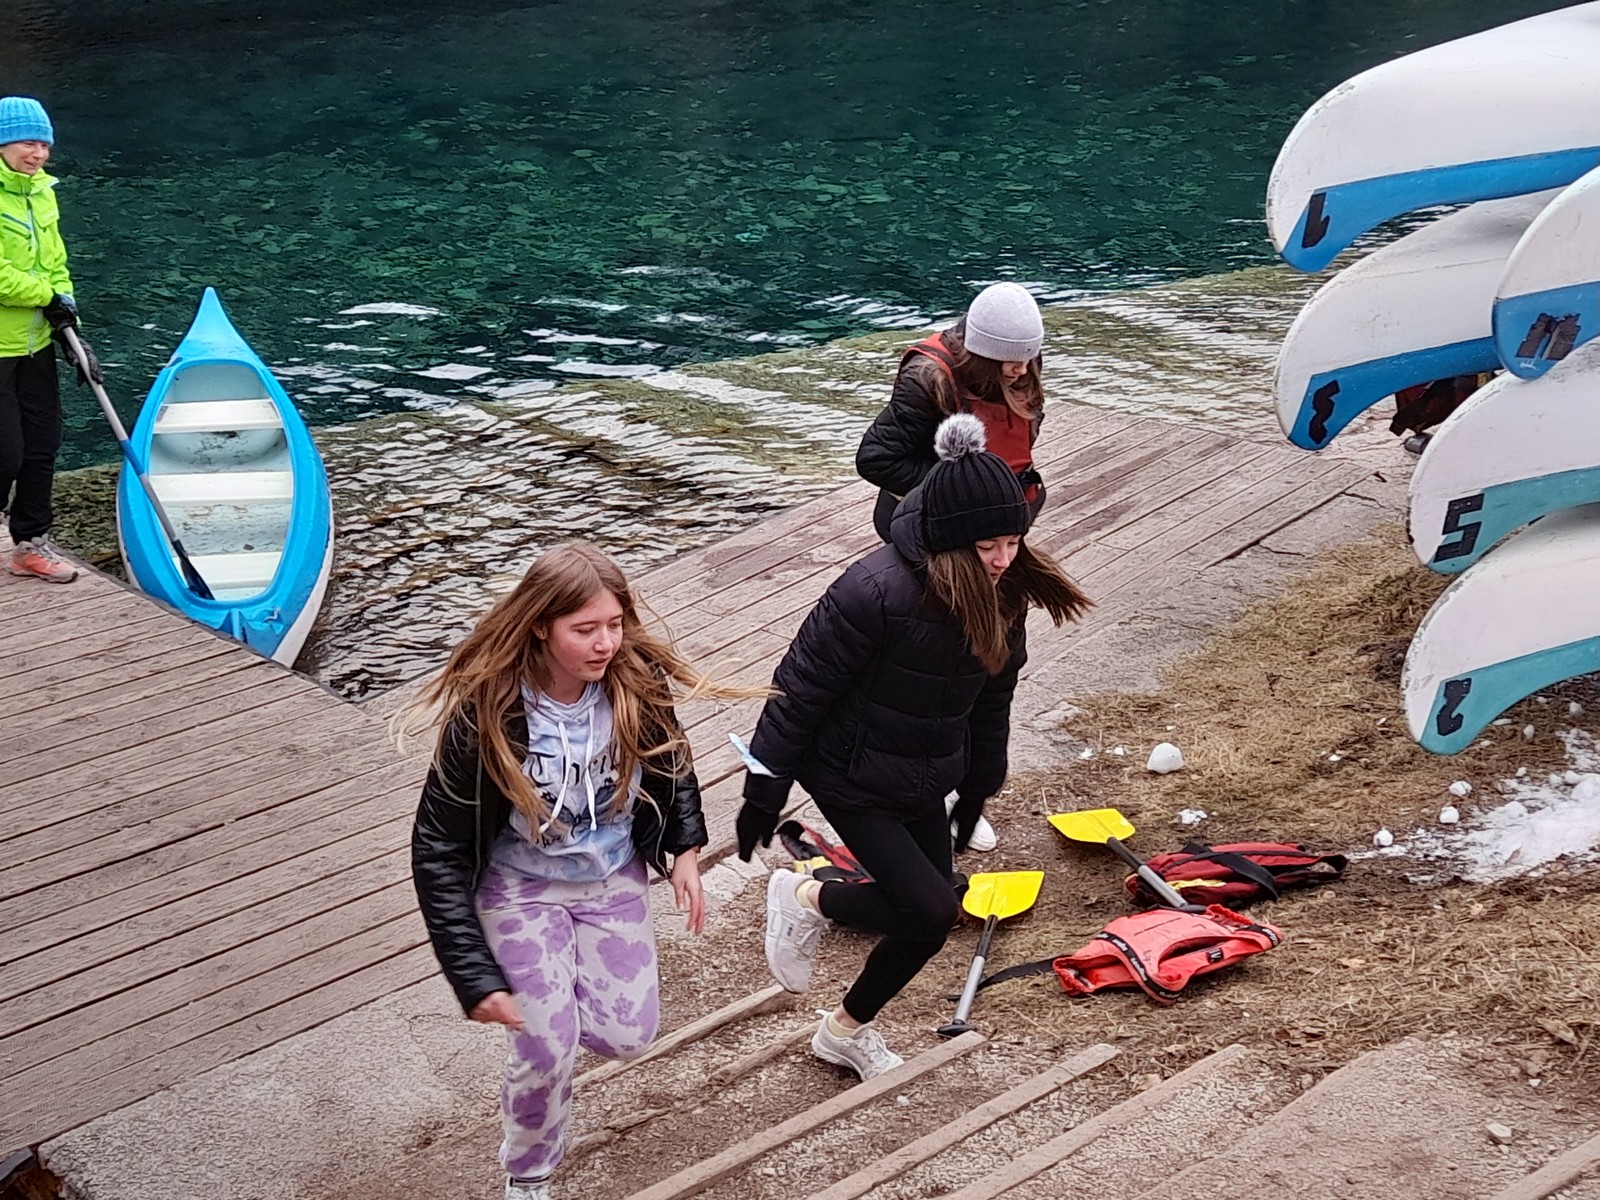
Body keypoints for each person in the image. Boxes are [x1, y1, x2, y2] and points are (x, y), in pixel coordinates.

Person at [734, 414, 1090, 1080]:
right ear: (951, 539)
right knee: (929, 910)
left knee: (935, 907)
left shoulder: (1004, 592)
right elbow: (796, 694)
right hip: (849, 771)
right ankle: (805, 900)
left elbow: (993, 695)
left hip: (923, 769)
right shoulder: (872, 592)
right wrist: (763, 793)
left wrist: (979, 782)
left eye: (1014, 541)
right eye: (988, 545)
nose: (1004, 558)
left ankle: (843, 1029)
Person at [408, 542, 749, 1200]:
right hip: (519, 887)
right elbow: (437, 847)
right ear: (542, 625)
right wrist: (474, 975)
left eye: (615, 624)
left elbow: (671, 761)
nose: (606, 644)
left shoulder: (635, 679)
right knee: (546, 1045)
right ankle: (528, 1173)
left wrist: (683, 848)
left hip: (611, 876)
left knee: (628, 1036)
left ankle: (555, 1017)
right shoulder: (488, 710)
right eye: (585, 629)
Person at [857, 281, 1048, 546]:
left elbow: (1029, 417)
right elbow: (876, 460)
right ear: (987, 356)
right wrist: (962, 486)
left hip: (1004, 515)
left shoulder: (1022, 358)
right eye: (1014, 362)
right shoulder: (926, 380)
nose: (1023, 370)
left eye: (1029, 358)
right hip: (932, 525)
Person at [0, 96, 87, 583]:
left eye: (45, 145)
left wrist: (68, 318)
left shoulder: (42, 192)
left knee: (43, 443)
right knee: (5, 452)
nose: (39, 154)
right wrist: (48, 296)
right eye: (28, 143)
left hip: (35, 343)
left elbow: (55, 264)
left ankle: (30, 545)